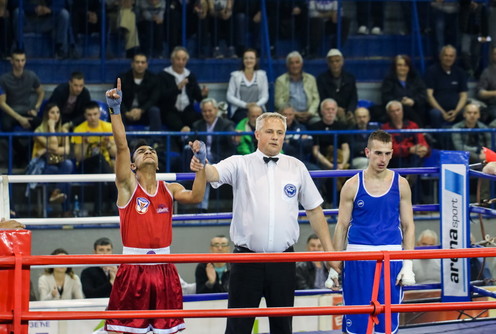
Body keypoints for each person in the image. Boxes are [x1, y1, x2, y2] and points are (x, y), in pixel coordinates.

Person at [203, 112, 339, 334]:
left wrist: (329, 252)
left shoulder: (296, 167)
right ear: (257, 134)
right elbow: (212, 173)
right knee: (238, 327)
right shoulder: (240, 163)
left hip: (283, 260)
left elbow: (314, 210)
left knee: (283, 327)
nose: (275, 137)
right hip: (246, 260)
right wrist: (202, 160)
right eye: (269, 132)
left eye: (280, 132)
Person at [104, 78, 206, 334]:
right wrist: (115, 111)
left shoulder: (169, 189)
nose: (148, 151)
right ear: (133, 165)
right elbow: (121, 146)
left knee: (167, 331)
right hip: (133, 268)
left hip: (164, 268)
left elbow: (195, 196)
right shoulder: (127, 186)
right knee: (125, 331)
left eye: (152, 149)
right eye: (142, 151)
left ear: (158, 163)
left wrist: (202, 165)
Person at [333, 129, 416, 334]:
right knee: (356, 320)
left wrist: (409, 264)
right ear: (367, 152)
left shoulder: (401, 184)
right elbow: (341, 226)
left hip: (391, 256)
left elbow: (408, 225)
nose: (383, 159)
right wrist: (333, 266)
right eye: (378, 153)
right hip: (357, 256)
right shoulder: (352, 185)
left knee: (387, 323)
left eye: (388, 153)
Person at [188, 98, 236, 212]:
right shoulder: (197, 125)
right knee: (201, 163)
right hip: (201, 157)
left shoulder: (226, 124)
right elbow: (191, 141)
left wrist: (234, 138)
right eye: (205, 111)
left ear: (216, 110)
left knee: (203, 166)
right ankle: (201, 206)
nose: (207, 114)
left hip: (219, 157)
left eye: (210, 111)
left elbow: (231, 140)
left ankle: (201, 207)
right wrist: (191, 143)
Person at [0, 49, 44, 166]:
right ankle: (21, 153)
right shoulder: (4, 79)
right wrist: (19, 118)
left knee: (41, 124)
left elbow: (41, 92)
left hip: (27, 110)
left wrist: (36, 107)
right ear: (12, 62)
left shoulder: (31, 75)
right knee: (5, 126)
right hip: (11, 112)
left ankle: (27, 155)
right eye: (17, 60)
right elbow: (2, 103)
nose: (20, 63)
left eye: (23, 60)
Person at [72, 101, 117, 215]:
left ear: (99, 113)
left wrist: (108, 145)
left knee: (99, 173)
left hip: (103, 165)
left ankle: (98, 212)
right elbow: (78, 157)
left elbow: (115, 153)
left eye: (95, 114)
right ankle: (116, 198)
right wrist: (85, 143)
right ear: (85, 115)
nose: (92, 117)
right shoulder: (79, 130)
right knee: (99, 158)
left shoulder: (107, 127)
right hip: (85, 164)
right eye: (89, 115)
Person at [31, 103, 74, 213]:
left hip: (59, 161)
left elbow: (66, 151)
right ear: (46, 115)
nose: (56, 115)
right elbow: (55, 146)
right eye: (52, 112)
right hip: (43, 164)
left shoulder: (64, 131)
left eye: (58, 112)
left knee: (68, 164)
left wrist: (45, 149)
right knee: (56, 172)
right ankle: (52, 210)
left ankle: (56, 192)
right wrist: (51, 128)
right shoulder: (38, 132)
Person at [158, 46, 208, 133]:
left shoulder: (190, 75)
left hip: (187, 110)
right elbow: (161, 96)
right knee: (171, 118)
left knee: (200, 119)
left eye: (184, 59)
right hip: (170, 110)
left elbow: (198, 97)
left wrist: (203, 95)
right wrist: (177, 88)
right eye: (178, 59)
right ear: (172, 59)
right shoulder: (163, 75)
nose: (181, 62)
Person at [425, 45, 468, 130]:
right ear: (440, 56)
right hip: (438, 110)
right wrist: (443, 112)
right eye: (446, 55)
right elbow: (429, 96)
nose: (448, 58)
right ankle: (438, 142)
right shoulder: (432, 71)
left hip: (456, 110)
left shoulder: (460, 72)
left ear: (455, 58)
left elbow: (464, 95)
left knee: (468, 113)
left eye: (451, 56)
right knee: (435, 114)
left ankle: (465, 141)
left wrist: (456, 111)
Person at [118, 53, 162, 135]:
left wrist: (141, 110)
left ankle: (156, 142)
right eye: (137, 62)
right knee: (116, 112)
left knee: (155, 110)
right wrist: (126, 112)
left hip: (144, 114)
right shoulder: (122, 78)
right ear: (132, 64)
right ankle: (125, 143)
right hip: (127, 113)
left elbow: (154, 99)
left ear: (146, 65)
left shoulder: (154, 79)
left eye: (142, 62)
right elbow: (118, 98)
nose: (140, 65)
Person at [274, 51, 320, 125]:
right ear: (287, 65)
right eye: (292, 63)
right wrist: (293, 113)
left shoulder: (311, 79)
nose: (295, 65)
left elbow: (316, 99)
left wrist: (310, 112)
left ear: (301, 64)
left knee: (317, 122)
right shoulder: (280, 80)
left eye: (297, 62)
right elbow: (279, 102)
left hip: (309, 114)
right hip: (289, 115)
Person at [381, 54, 427, 127]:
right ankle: (421, 131)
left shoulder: (416, 79)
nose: (402, 67)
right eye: (399, 65)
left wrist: (413, 101)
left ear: (409, 67)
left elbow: (423, 95)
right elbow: (386, 97)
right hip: (395, 110)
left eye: (405, 65)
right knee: (404, 109)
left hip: (415, 108)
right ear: (395, 67)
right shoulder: (388, 80)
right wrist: (400, 102)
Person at [381, 101, 430, 168]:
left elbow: (421, 140)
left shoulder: (412, 125)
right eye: (392, 111)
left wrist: (424, 148)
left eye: (398, 110)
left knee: (417, 156)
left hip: (413, 155)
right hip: (395, 159)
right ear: (388, 113)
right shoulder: (385, 128)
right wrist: (408, 149)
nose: (396, 113)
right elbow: (390, 148)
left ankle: (412, 175)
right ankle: (410, 176)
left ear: (402, 111)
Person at [226, 48, 269, 124]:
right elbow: (229, 96)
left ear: (256, 60)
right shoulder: (235, 76)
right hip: (241, 110)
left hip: (258, 109)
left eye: (251, 58)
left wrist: (255, 105)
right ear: (243, 60)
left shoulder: (262, 75)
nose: (249, 61)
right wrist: (246, 105)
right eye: (246, 58)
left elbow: (265, 96)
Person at [316, 49, 357, 127]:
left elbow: (353, 98)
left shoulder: (350, 78)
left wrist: (350, 111)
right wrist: (335, 108)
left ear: (342, 62)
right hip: (328, 110)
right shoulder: (322, 79)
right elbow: (322, 98)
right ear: (328, 63)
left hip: (346, 110)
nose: (335, 64)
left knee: (355, 119)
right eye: (332, 61)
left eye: (337, 61)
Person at [477, 46, 496, 122]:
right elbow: (480, 93)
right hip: (493, 106)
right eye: (495, 54)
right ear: (492, 56)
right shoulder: (487, 72)